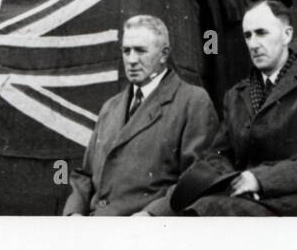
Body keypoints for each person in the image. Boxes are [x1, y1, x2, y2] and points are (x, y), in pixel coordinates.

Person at [175, 2, 297, 216]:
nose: (253, 44)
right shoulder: (235, 95)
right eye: (248, 36)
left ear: (287, 35)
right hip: (245, 197)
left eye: (261, 33)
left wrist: (260, 180)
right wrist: (232, 180)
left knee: (211, 213)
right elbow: (219, 154)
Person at [63, 16, 219, 217]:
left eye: (140, 51)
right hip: (96, 227)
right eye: (126, 51)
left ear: (164, 54)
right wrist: (73, 213)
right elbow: (85, 175)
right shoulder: (110, 107)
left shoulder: (192, 101)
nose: (132, 60)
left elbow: (199, 177)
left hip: (149, 231)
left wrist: (153, 214)